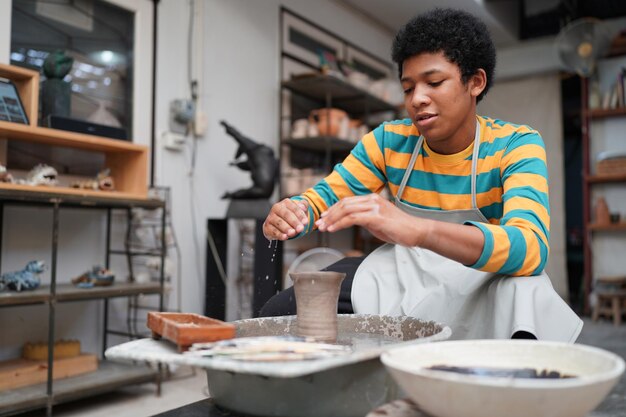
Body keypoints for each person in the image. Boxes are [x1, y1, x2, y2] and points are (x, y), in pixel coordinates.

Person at [260, 8, 582, 341]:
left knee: (526, 295)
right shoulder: (390, 140)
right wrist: (294, 212)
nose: (418, 99)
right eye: (408, 88)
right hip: (405, 271)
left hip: (485, 279)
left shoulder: (516, 145)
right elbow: (324, 199)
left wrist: (419, 230)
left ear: (475, 82)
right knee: (278, 313)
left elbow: (529, 247)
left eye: (434, 82)